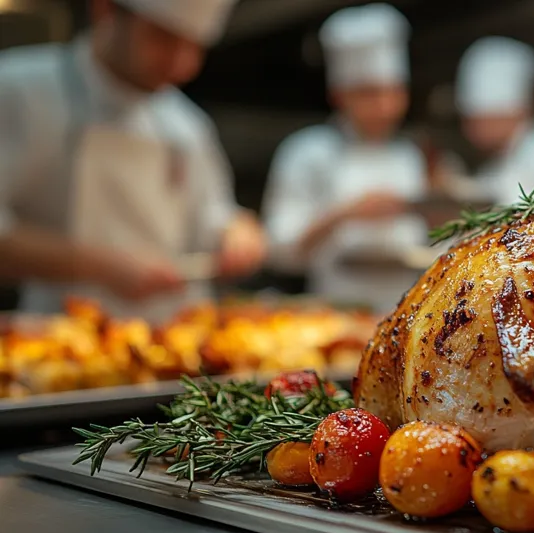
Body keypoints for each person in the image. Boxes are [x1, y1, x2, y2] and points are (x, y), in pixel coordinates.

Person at [0, 0, 266, 323]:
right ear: (106, 10)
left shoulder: (187, 123)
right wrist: (97, 265)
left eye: (195, 47)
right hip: (60, 340)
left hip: (180, 338)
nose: (181, 65)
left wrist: (237, 231)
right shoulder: (18, 90)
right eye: (163, 37)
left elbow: (214, 217)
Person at [261, 3, 428, 311]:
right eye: (370, 93)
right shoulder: (305, 152)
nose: (386, 106)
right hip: (334, 312)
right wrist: (344, 214)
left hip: (408, 310)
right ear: (338, 95)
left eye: (394, 92)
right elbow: (278, 252)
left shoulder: (409, 155)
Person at [450, 36, 534, 206]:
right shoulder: (494, 164)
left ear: (515, 112)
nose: (470, 130)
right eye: (468, 120)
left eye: (481, 120)